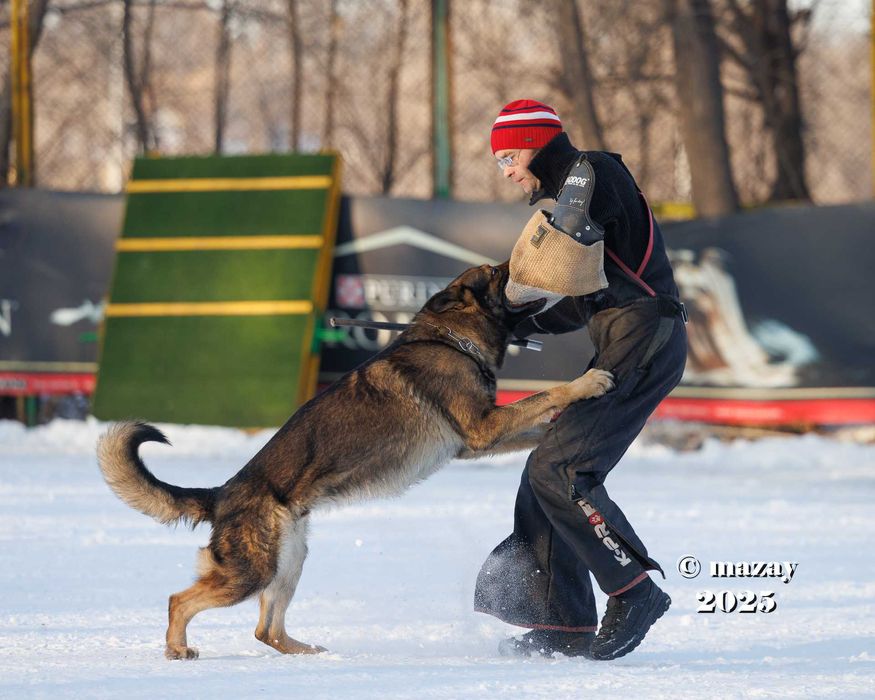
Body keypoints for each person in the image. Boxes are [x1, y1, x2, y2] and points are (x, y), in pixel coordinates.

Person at [474, 99, 688, 660]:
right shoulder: (579, 187)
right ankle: (561, 623)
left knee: (562, 468)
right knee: (542, 471)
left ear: (539, 144)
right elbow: (578, 297)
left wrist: (507, 299)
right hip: (625, 335)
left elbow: (558, 255)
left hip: (646, 337)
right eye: (499, 163)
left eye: (511, 157)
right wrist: (513, 320)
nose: (508, 171)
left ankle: (633, 590)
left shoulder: (591, 172)